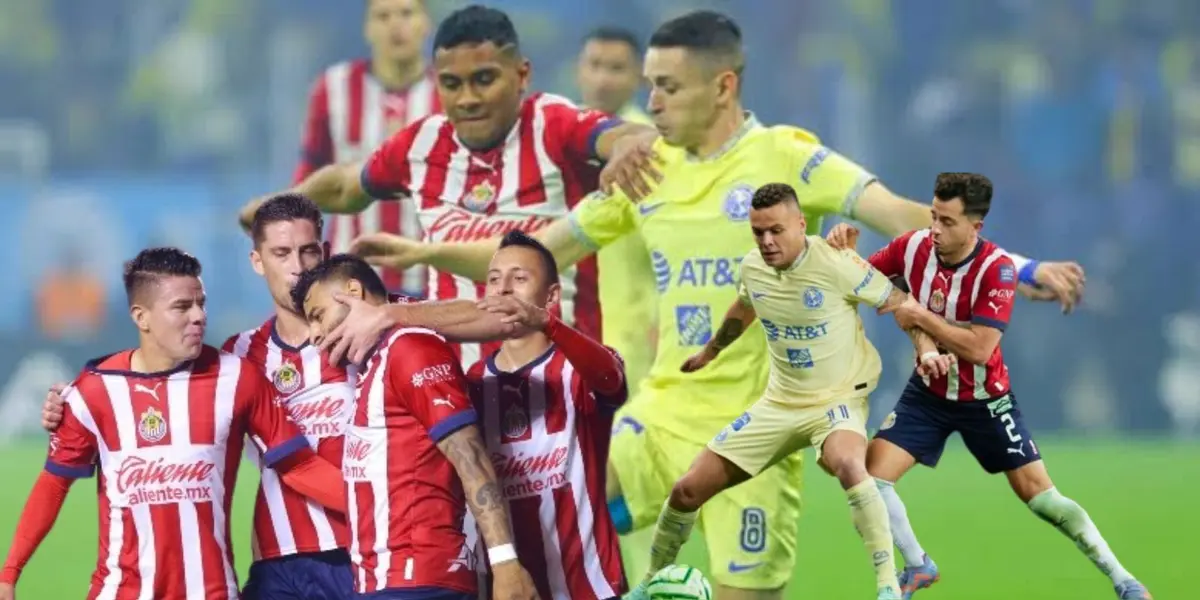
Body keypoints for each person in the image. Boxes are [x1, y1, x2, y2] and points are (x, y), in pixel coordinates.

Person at [337, 11, 1087, 599]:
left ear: (722, 86)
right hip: (656, 416)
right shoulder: (648, 170)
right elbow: (538, 252)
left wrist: (1018, 266)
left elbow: (896, 210)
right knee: (540, 503)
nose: (651, 102)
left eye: (667, 86)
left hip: (760, 430)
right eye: (651, 86)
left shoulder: (789, 157)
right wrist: (424, 255)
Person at [36, 194, 539, 599]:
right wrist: (73, 396)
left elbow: (503, 317)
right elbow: (153, 368)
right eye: (281, 254)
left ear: (325, 252)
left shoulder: (387, 322)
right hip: (282, 559)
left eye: (308, 252)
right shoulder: (241, 355)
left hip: (376, 553)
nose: (297, 267)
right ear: (258, 262)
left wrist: (393, 315)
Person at [240, 4, 660, 369]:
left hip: (556, 385)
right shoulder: (423, 141)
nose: (467, 99)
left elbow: (631, 135)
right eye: (452, 84)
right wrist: (279, 206)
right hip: (456, 389)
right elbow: (347, 186)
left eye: (484, 79)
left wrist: (626, 146)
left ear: (522, 74)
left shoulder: (553, 123)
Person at [829, 173, 1151, 600]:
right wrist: (844, 253)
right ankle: (918, 565)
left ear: (974, 227)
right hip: (928, 396)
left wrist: (919, 316)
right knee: (868, 484)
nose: (936, 230)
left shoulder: (995, 269)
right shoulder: (913, 247)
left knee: (1042, 498)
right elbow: (865, 281)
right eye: (933, 217)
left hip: (986, 399)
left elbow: (980, 349)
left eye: (947, 222)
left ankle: (1123, 579)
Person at [628, 183, 947, 600]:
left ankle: (888, 586)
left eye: (776, 230)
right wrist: (711, 351)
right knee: (686, 490)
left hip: (837, 399)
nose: (767, 241)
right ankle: (649, 582)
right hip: (778, 404)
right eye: (758, 232)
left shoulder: (836, 263)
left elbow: (902, 303)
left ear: (800, 224)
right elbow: (745, 306)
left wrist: (925, 347)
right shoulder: (753, 267)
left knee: (849, 465)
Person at [0, 248, 346, 600]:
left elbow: (300, 466)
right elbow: (53, 486)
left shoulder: (237, 377)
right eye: (182, 307)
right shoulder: (94, 390)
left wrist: (384, 508)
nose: (198, 316)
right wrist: (9, 575)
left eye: (201, 303)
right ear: (142, 317)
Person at [292, 254, 539, 600]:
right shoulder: (372, 362)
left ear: (353, 290)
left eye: (318, 317)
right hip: (383, 582)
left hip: (419, 580)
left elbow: (471, 456)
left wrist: (504, 562)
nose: (314, 334)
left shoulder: (411, 347)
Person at [468, 230, 628, 600]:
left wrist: (547, 324)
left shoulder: (578, 368)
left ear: (552, 296)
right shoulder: (472, 383)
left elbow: (612, 380)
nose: (503, 289)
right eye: (494, 280)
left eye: (519, 278)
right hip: (511, 590)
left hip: (590, 588)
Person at [296, 0, 437, 297]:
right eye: (383, 16)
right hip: (349, 283)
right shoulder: (333, 89)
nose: (395, 25)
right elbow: (308, 178)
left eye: (406, 13)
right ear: (368, 28)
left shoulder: (451, 91)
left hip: (432, 280)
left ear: (426, 24)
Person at [575, 25, 658, 393]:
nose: (602, 79)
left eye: (615, 68)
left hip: (632, 330)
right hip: (567, 320)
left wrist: (663, 320)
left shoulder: (654, 147)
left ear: (641, 76)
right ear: (579, 69)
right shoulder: (559, 137)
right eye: (594, 65)